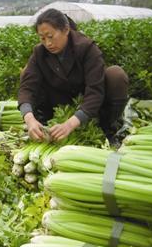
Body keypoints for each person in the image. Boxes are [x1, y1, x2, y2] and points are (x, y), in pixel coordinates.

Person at [18, 8, 128, 145]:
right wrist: (29, 119)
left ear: (66, 30)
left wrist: (70, 124)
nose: (48, 43)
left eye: (50, 36)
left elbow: (95, 91)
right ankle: (43, 122)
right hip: (58, 104)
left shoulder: (86, 48)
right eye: (42, 38)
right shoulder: (39, 52)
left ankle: (108, 128)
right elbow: (27, 88)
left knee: (115, 75)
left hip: (90, 107)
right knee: (26, 74)